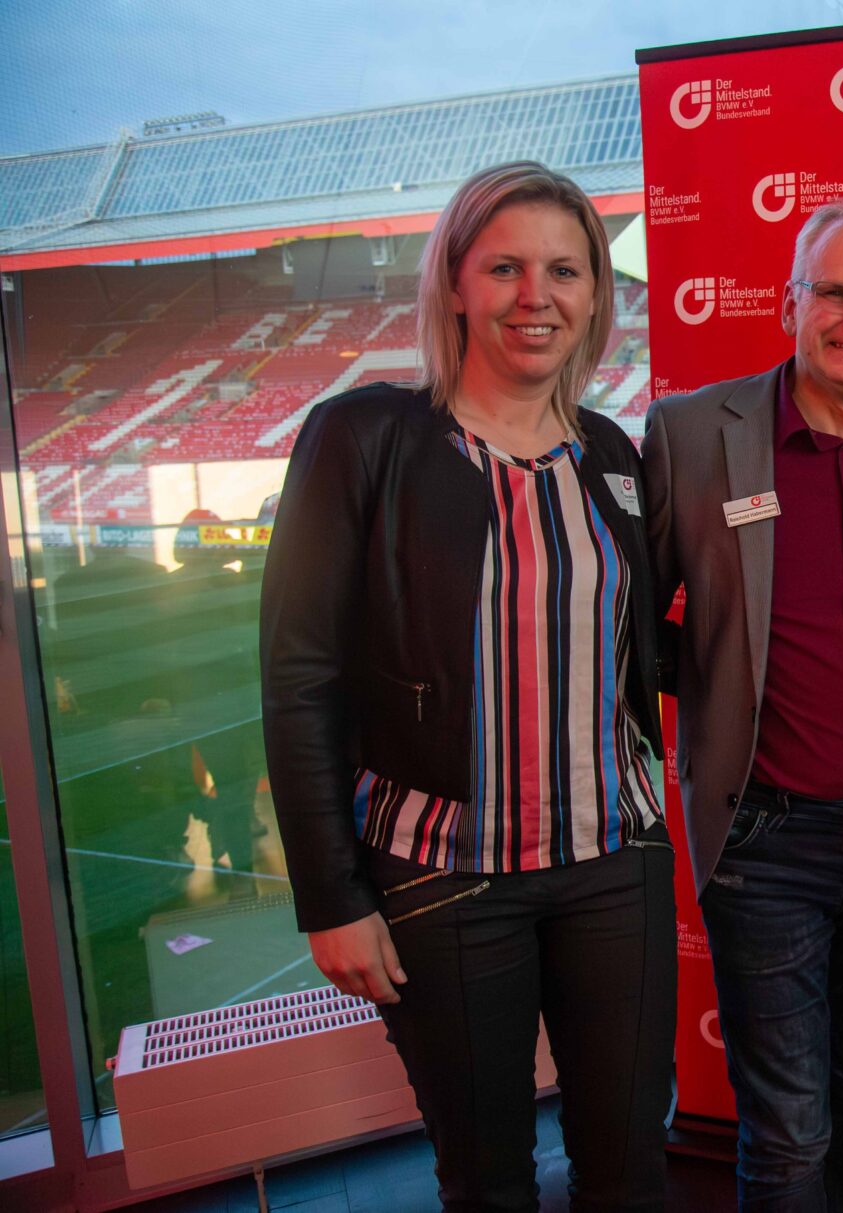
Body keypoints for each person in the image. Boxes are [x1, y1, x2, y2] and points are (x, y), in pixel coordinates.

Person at [260, 161, 675, 1213]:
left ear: (595, 294)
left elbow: (635, 645)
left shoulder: (611, 453)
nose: (537, 296)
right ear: (453, 283)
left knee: (630, 1166)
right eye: (505, 268)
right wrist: (331, 897)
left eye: (564, 271)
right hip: (445, 880)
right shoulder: (364, 437)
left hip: (615, 866)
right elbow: (300, 678)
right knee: (488, 1179)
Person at [643, 197, 843, 1212]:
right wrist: (721, 680)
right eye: (835, 291)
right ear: (789, 301)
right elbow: (631, 619)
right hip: (766, 837)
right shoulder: (692, 432)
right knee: (787, 1127)